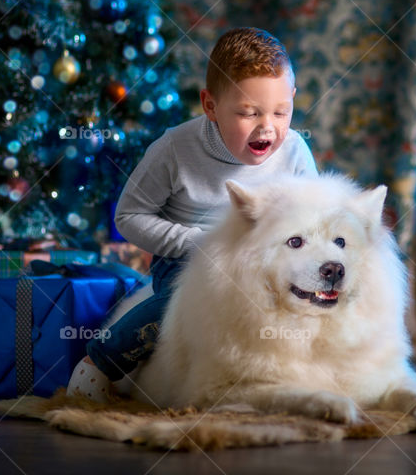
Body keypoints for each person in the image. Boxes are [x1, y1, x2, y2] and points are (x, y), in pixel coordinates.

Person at [67, 27, 318, 400]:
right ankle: (101, 361)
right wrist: (201, 244)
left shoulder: (295, 150)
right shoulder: (174, 149)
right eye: (249, 113)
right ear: (210, 105)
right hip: (187, 261)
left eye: (282, 111)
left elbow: (312, 218)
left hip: (269, 262)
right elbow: (129, 216)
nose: (269, 126)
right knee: (188, 299)